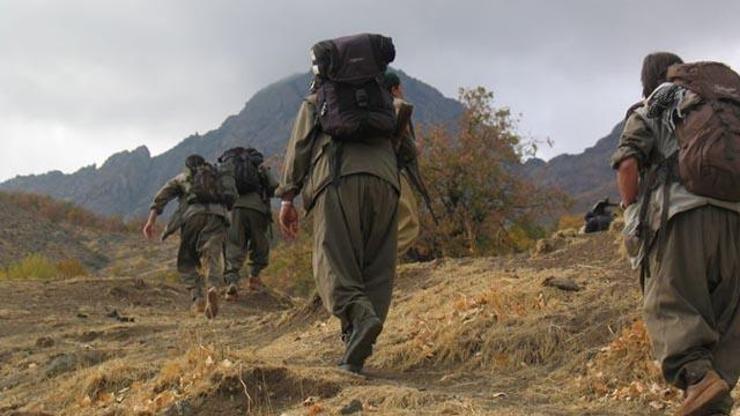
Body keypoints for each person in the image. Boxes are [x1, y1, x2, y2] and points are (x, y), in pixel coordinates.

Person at [611, 52, 740, 416]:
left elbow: (628, 162)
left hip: (683, 218)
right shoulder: (719, 104)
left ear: (647, 81)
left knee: (669, 302)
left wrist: (630, 206)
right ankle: (713, 395)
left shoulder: (659, 101)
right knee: (726, 315)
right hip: (736, 221)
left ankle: (698, 380)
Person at [277, 34, 400, 374]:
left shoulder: (318, 98)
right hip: (387, 182)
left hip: (338, 178)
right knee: (376, 266)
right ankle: (357, 347)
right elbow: (405, 144)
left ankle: (359, 318)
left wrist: (288, 197)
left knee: (332, 260)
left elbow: (299, 148)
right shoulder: (383, 98)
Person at [143, 154, 237, 319]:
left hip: (193, 217)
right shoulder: (217, 176)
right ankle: (213, 287)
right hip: (218, 217)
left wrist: (151, 221)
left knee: (186, 261)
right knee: (212, 254)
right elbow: (232, 198)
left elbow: (162, 197)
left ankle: (198, 298)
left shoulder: (184, 177)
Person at [222, 147, 279, 299]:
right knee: (259, 243)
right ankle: (254, 277)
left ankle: (232, 282)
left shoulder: (231, 167)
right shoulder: (258, 165)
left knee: (234, 244)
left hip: (235, 209)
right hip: (257, 208)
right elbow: (273, 185)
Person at [385, 72, 421, 257]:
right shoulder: (395, 108)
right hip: (389, 171)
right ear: (394, 89)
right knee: (409, 223)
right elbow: (409, 149)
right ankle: (380, 265)